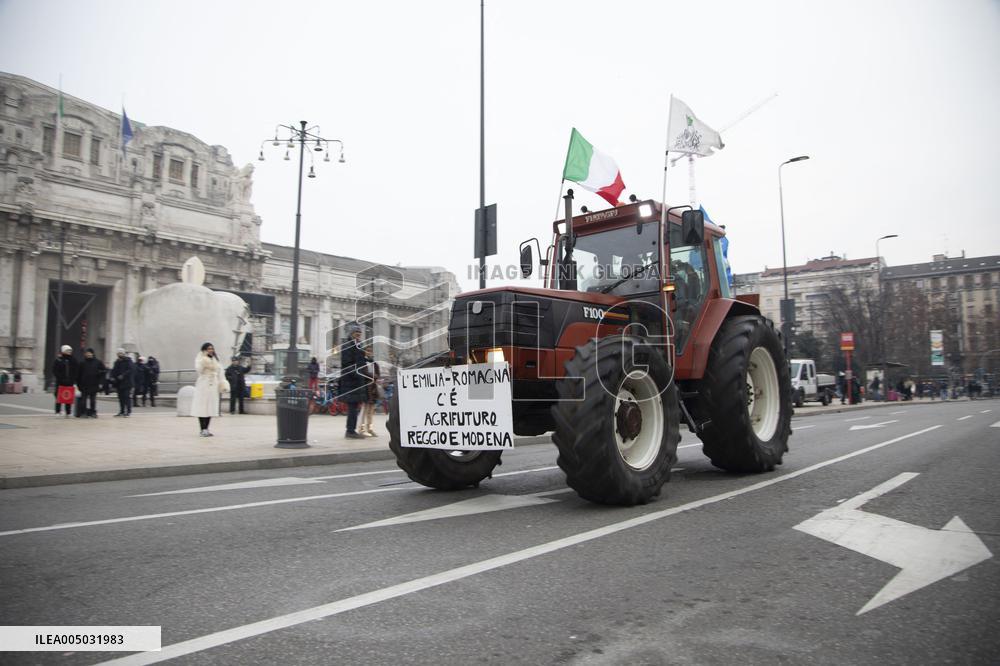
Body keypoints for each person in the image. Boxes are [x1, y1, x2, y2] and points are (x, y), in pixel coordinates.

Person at [338, 325, 368, 439]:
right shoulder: (347, 345)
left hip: (357, 381)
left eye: (359, 334)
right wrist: (358, 374)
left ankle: (351, 430)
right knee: (353, 407)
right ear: (351, 334)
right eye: (356, 333)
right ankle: (350, 431)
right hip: (351, 382)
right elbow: (347, 364)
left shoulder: (359, 346)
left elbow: (361, 362)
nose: (358, 335)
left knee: (356, 407)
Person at [192, 342, 228, 437]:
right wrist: (204, 362)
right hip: (203, 384)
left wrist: (223, 383)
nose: (211, 350)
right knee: (202, 407)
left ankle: (207, 428)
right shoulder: (201, 358)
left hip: (213, 385)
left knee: (211, 407)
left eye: (212, 348)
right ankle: (202, 429)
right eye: (208, 349)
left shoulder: (216, 359)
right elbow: (198, 370)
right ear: (204, 350)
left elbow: (221, 372)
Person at [76, 348, 106, 418]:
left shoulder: (98, 362)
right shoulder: (82, 362)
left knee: (93, 401)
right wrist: (78, 384)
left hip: (94, 384)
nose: (89, 354)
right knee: (83, 401)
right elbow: (78, 374)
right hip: (84, 385)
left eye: (90, 353)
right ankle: (83, 413)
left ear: (93, 354)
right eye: (87, 353)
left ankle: (93, 412)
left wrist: (101, 382)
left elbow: (103, 372)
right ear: (85, 354)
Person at [51, 345, 78, 417]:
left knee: (68, 397)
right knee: (59, 397)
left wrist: (73, 379)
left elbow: (76, 371)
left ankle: (68, 412)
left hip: (70, 382)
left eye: (70, 351)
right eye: (67, 350)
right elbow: (55, 371)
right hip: (60, 382)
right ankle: (57, 411)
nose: (69, 352)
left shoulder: (73, 360)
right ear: (63, 351)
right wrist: (60, 378)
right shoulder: (58, 360)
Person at [359, 347, 381, 437]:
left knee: (371, 411)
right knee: (364, 410)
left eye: (370, 351)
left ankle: (370, 429)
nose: (369, 353)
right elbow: (363, 373)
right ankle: (361, 429)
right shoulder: (362, 363)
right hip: (365, 388)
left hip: (373, 389)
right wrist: (373, 376)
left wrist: (374, 376)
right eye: (367, 351)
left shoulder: (375, 364)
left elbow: (378, 375)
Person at [110, 349, 135, 416]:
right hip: (119, 383)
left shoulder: (128, 361)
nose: (120, 354)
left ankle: (128, 411)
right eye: (118, 353)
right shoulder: (116, 362)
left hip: (127, 383)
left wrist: (123, 375)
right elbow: (114, 370)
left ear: (123, 354)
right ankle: (122, 411)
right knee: (120, 398)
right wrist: (112, 377)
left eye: (121, 353)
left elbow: (131, 370)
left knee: (126, 397)